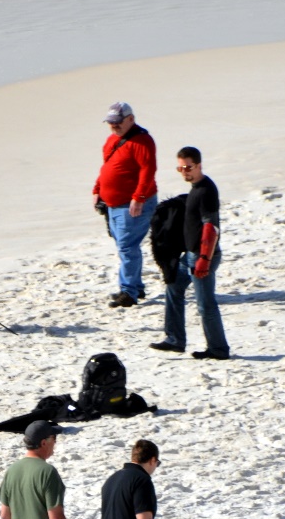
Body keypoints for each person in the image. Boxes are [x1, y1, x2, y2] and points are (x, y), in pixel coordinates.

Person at [151, 146, 230, 360]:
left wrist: (204, 259)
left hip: (203, 255)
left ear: (199, 165)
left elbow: (211, 227)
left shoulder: (205, 190)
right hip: (191, 255)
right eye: (180, 168)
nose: (185, 172)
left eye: (188, 167)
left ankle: (219, 349)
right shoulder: (196, 187)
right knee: (173, 287)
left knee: (205, 304)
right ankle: (174, 339)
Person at [93, 102, 158, 309]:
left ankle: (128, 291)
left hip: (132, 204)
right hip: (112, 204)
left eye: (118, 122)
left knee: (127, 247)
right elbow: (108, 167)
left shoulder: (142, 141)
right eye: (111, 123)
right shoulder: (112, 140)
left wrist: (138, 198)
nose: (114, 126)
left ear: (131, 119)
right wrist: (97, 190)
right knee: (123, 245)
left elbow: (148, 171)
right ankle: (135, 287)